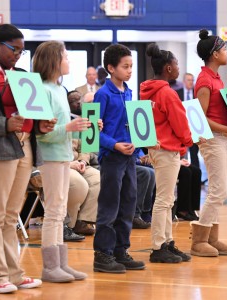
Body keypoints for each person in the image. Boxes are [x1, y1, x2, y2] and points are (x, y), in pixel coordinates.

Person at [0, 24, 55, 293]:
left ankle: (14, 274)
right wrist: (6, 124)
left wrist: (42, 125)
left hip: (25, 146)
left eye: (22, 50)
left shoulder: (23, 76)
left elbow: (34, 114)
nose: (18, 54)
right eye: (13, 49)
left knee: (11, 215)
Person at [33, 41, 89, 283]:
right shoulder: (43, 90)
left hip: (64, 155)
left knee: (60, 209)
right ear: (54, 61)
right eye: (65, 57)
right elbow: (41, 133)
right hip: (51, 156)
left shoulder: (59, 89)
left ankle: (61, 263)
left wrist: (84, 127)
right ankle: (50, 267)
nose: (68, 61)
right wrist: (68, 127)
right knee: (54, 211)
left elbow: (66, 128)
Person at [191, 29, 227, 257]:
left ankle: (212, 239)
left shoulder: (216, 78)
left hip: (223, 139)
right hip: (213, 140)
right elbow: (201, 118)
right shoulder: (204, 80)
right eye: (224, 50)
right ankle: (199, 240)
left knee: (218, 190)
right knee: (218, 190)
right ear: (214, 54)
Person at [140, 43, 194, 264]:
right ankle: (157, 246)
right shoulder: (167, 93)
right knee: (164, 200)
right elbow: (180, 124)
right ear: (169, 68)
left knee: (167, 199)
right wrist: (189, 141)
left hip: (156, 148)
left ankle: (167, 242)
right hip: (166, 150)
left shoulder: (147, 90)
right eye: (176, 63)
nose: (178, 66)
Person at [93, 44, 145, 273]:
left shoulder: (129, 92)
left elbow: (133, 124)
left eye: (131, 66)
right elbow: (94, 132)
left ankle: (120, 250)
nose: (130, 70)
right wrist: (114, 144)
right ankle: (103, 254)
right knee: (109, 205)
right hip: (112, 157)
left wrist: (139, 149)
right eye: (125, 66)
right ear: (111, 68)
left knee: (128, 204)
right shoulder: (102, 94)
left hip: (129, 158)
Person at [66, 90, 100, 236]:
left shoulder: (85, 120)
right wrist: (69, 164)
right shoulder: (61, 120)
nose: (78, 103)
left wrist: (82, 161)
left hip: (78, 163)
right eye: (73, 100)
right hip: (62, 163)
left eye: (79, 99)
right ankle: (68, 225)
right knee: (80, 184)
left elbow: (85, 147)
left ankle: (83, 220)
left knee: (98, 178)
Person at [133, 149, 155, 229]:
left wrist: (145, 158)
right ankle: (135, 215)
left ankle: (145, 211)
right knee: (145, 173)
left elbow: (139, 152)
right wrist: (138, 160)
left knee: (152, 173)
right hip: (121, 162)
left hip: (133, 161)